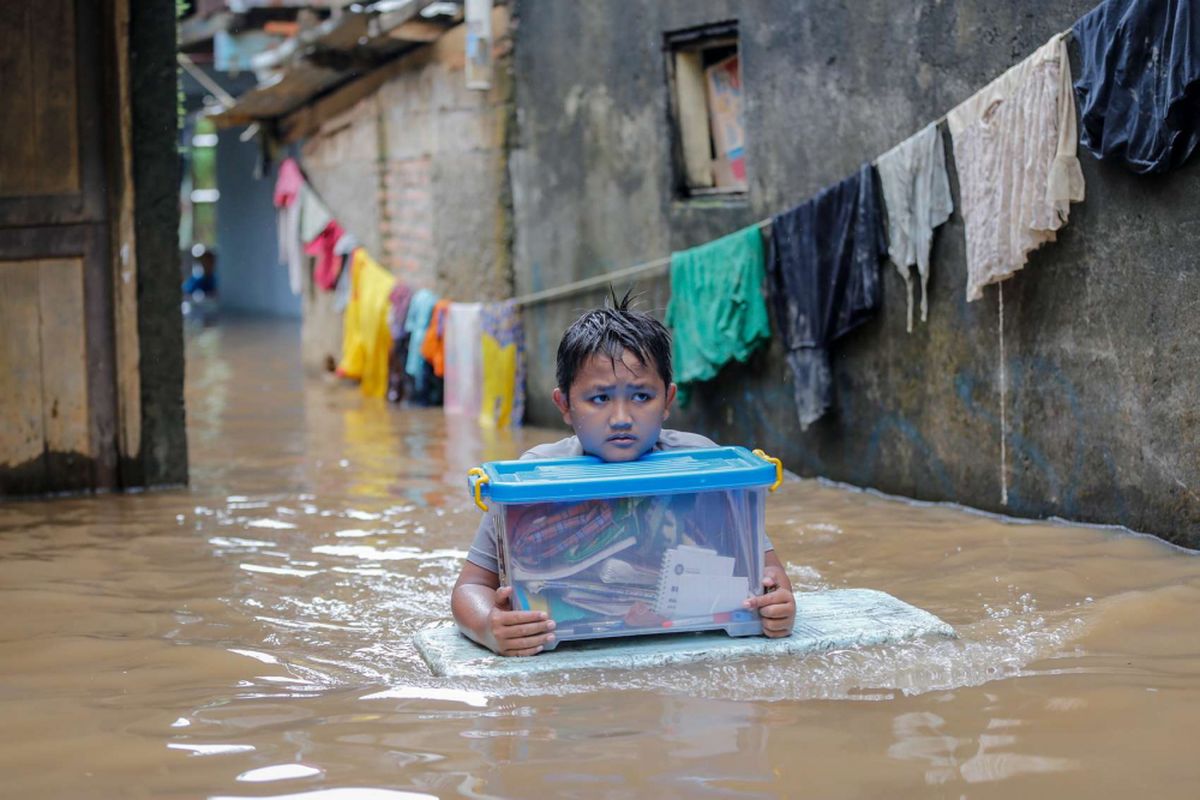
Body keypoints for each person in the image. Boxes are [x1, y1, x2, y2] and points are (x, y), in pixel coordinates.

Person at [451, 292, 796, 656]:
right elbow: (469, 588)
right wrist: (490, 626)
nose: (621, 417)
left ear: (668, 400)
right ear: (564, 405)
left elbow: (769, 575)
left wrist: (778, 607)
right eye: (600, 399)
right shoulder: (534, 480)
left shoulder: (703, 466)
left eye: (642, 397)